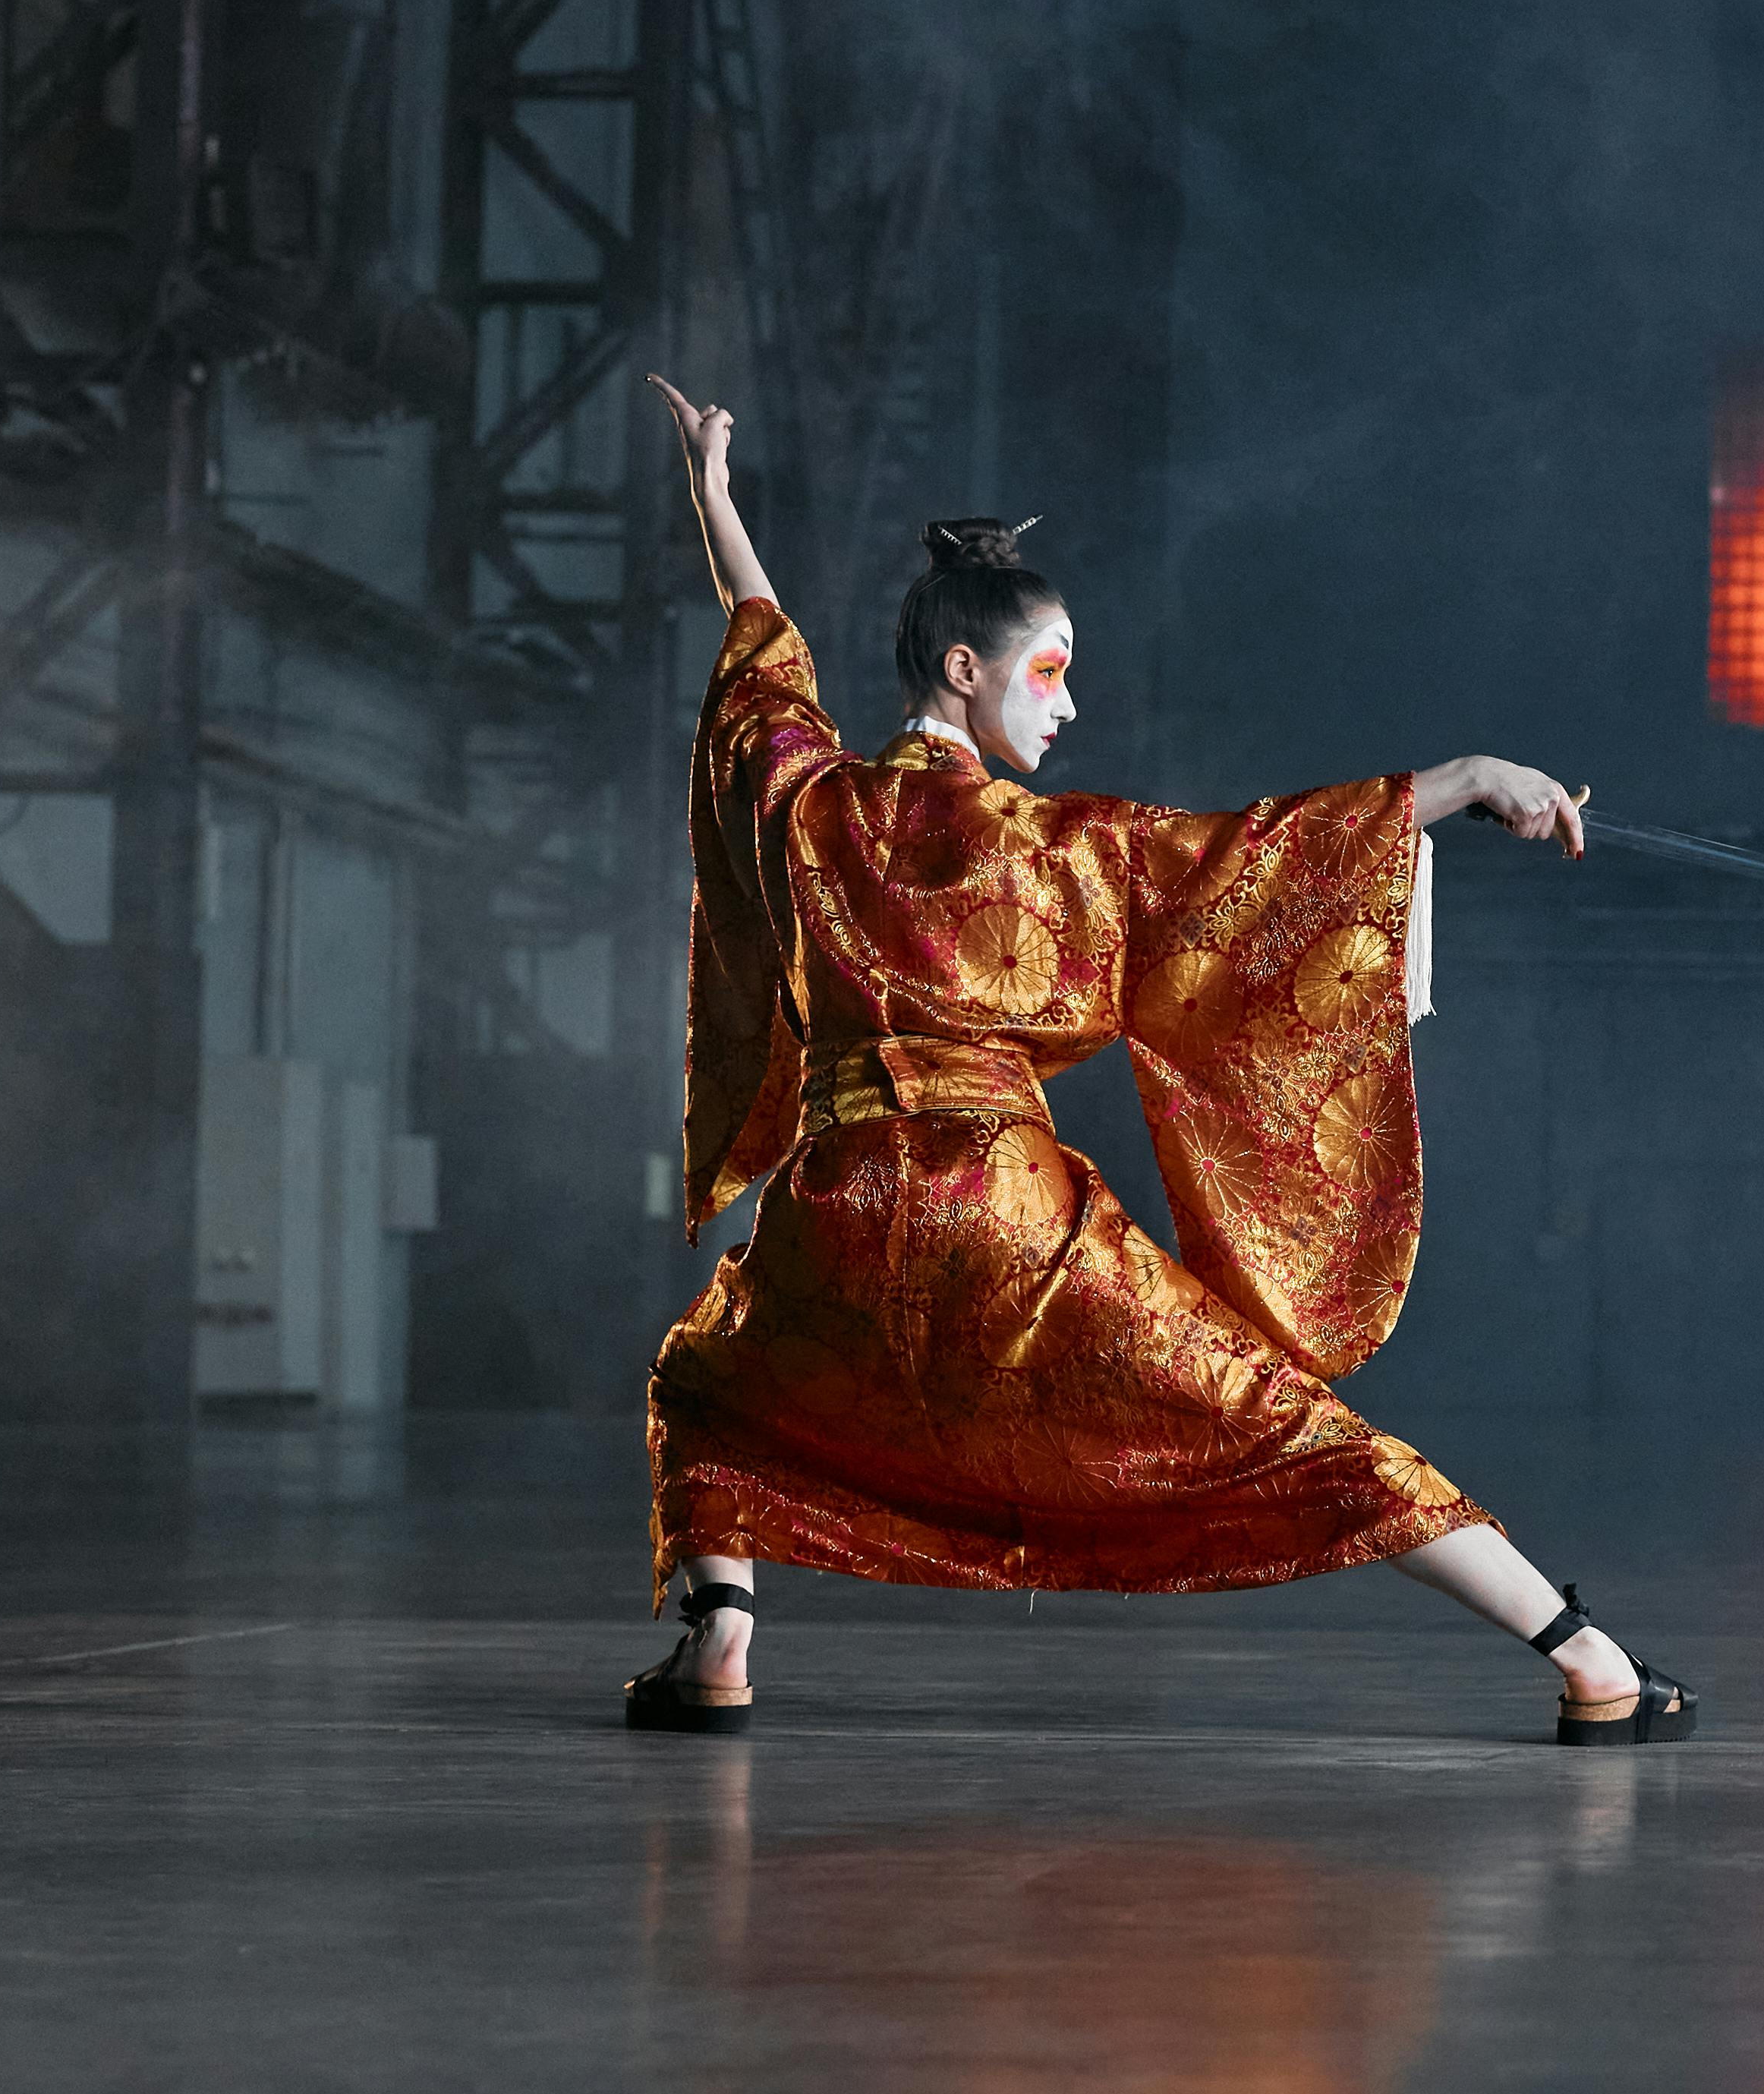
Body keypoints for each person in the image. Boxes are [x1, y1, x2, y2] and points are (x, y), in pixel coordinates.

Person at [617, 375, 1695, 1746]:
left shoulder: (810, 805)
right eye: (1051, 668)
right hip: (1002, 1213)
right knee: (1271, 1421)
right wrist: (1467, 778)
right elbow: (1256, 869)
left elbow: (764, 665)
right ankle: (1589, 1660)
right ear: (966, 669)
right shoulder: (1070, 845)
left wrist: (715, 501)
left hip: (830, 1218)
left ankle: (718, 1643)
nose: (1070, 704)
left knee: (708, 1385)